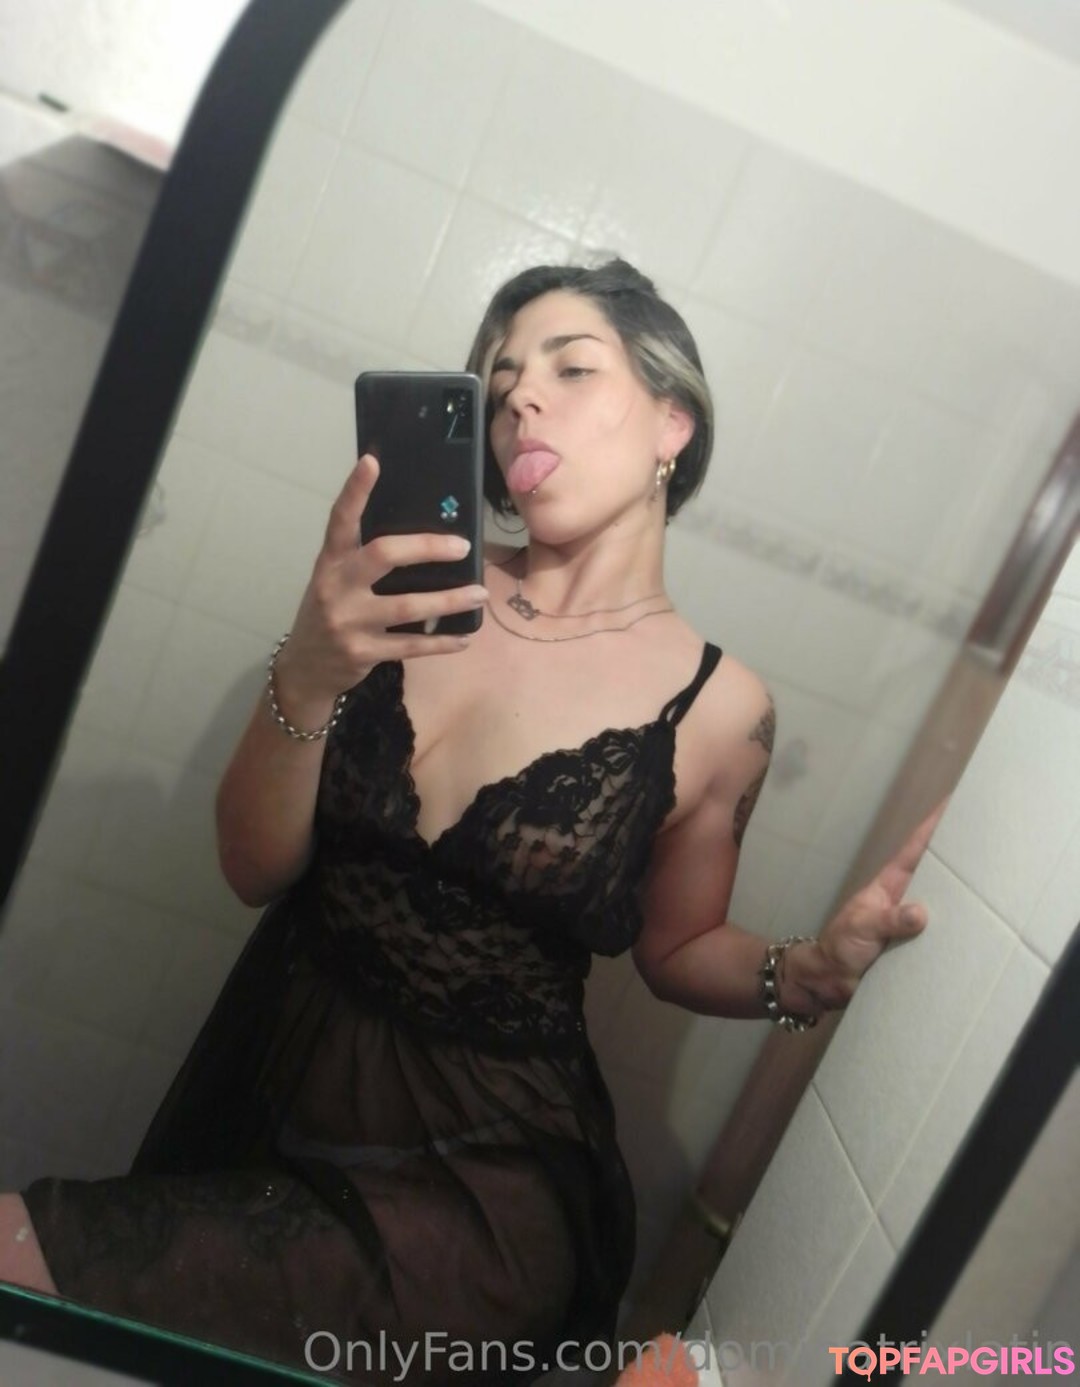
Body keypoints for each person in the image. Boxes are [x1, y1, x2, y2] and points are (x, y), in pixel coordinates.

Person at [0, 259, 939, 1384]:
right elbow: (252, 866)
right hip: (272, 1082)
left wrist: (808, 972)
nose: (521, 400)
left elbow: (681, 946)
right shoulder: (404, 593)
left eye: (570, 369)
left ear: (672, 424)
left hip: (477, 1188)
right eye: (499, 389)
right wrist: (308, 670)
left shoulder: (722, 707)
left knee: (29, 1266)